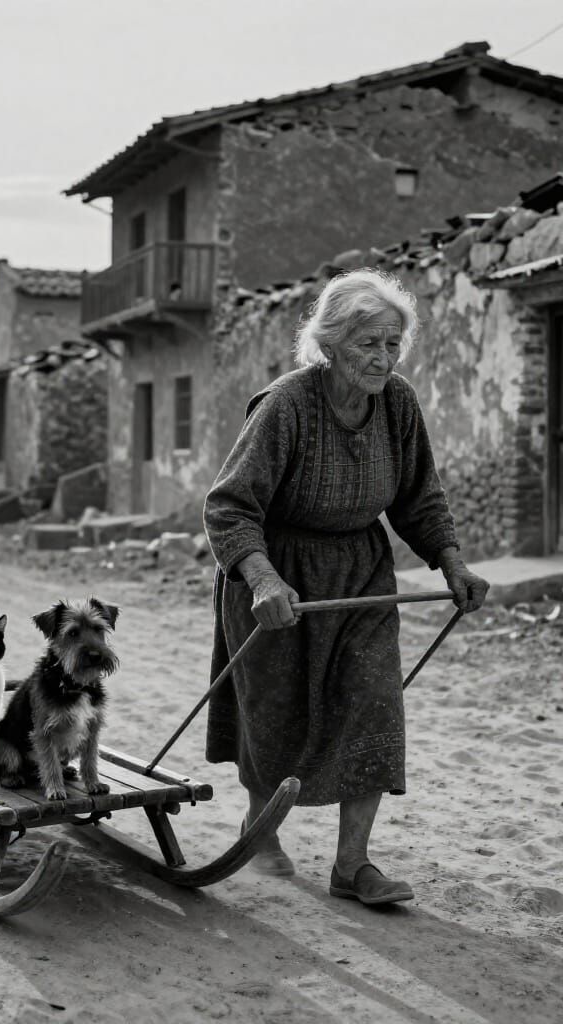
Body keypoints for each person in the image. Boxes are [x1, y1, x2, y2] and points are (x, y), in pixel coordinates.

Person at [203, 268, 488, 906]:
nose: (384, 358)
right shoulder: (285, 405)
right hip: (278, 578)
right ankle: (261, 829)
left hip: (361, 576)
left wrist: (452, 564)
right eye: (369, 344)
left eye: (393, 344)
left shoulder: (398, 403)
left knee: (374, 703)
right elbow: (228, 507)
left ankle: (353, 865)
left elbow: (420, 496)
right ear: (331, 343)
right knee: (273, 708)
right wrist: (261, 578)